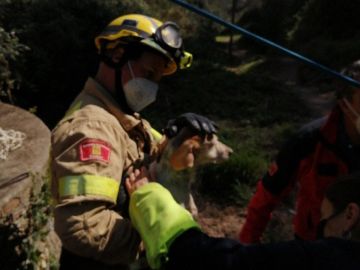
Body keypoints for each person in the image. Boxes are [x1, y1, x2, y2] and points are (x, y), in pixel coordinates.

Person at [50, 14, 217, 269]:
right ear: (117, 55)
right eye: (149, 72)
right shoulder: (92, 128)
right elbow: (83, 227)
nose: (152, 85)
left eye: (158, 77)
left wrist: (179, 135)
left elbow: (156, 147)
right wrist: (155, 238)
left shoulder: (123, 117)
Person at [126, 170, 360, 270]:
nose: (320, 234)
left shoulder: (333, 258)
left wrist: (150, 198)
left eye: (325, 221)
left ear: (350, 215)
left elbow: (209, 262)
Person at [239, 60, 360, 243]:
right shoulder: (309, 140)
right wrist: (247, 247)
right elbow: (267, 195)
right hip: (313, 247)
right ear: (344, 103)